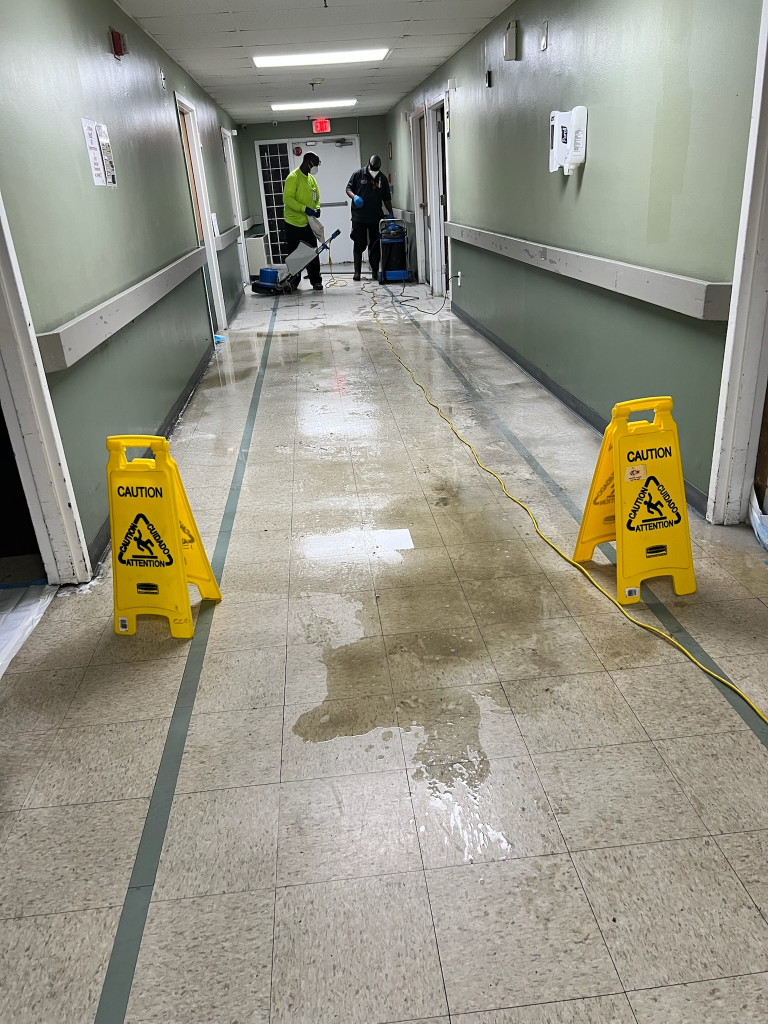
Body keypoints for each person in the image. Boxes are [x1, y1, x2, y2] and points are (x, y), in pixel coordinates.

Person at [346, 155, 393, 281]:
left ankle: (375, 271)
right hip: (359, 217)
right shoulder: (358, 174)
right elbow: (348, 188)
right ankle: (357, 272)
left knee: (375, 245)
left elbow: (386, 198)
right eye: (373, 168)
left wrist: (390, 212)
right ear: (369, 164)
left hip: (375, 217)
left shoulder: (382, 178)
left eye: (377, 169)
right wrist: (354, 197)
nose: (374, 170)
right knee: (359, 243)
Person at [283, 152, 323, 290]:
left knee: (312, 252)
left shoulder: (311, 180)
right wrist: (304, 208)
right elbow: (287, 199)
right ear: (308, 162)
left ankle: (316, 280)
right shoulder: (293, 178)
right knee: (295, 254)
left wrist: (317, 208)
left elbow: (316, 198)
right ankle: (294, 281)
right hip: (293, 223)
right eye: (316, 164)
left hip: (308, 223)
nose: (317, 167)